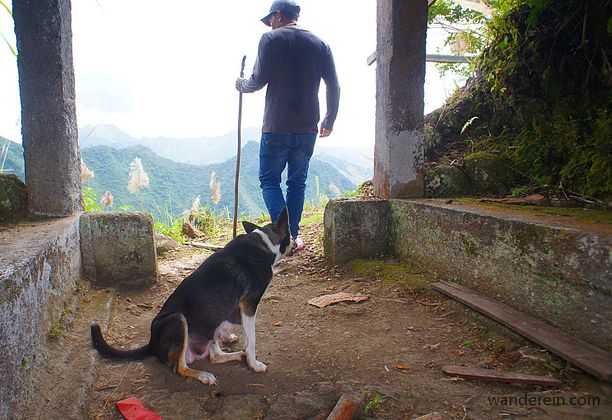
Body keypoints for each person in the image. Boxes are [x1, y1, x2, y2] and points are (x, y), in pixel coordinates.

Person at [236, 0, 340, 254]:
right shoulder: (320, 44)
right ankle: (293, 236)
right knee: (297, 182)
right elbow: (334, 86)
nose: (270, 25)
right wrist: (329, 120)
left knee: (269, 181)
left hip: (276, 126)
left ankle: (286, 239)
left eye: (270, 19)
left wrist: (241, 84)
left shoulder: (270, 40)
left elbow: (257, 80)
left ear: (279, 16)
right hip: (308, 128)